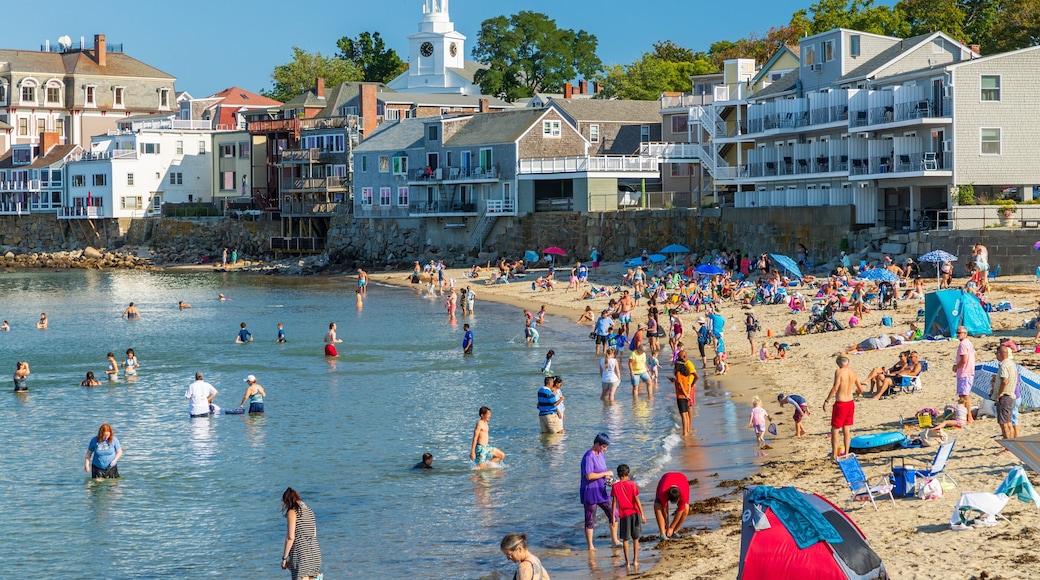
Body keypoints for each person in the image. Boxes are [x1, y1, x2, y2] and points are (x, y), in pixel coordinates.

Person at [580, 433, 619, 550]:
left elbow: (601, 473)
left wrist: (612, 482)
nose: (605, 449)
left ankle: (614, 540)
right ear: (597, 444)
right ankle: (590, 546)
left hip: (601, 491)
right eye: (604, 446)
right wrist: (606, 473)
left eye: (606, 447)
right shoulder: (588, 456)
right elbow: (589, 476)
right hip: (590, 491)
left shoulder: (601, 454)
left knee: (614, 513)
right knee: (590, 518)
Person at [823, 356, 864, 460]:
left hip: (841, 403)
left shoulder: (839, 372)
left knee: (835, 429)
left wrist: (827, 400)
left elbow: (835, 387)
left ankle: (834, 454)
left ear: (838, 363)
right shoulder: (853, 373)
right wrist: (857, 393)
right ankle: (846, 452)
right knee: (847, 428)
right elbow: (860, 389)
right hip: (850, 402)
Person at [281, 487, 322, 580]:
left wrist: (284, 558)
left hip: (301, 555)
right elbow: (314, 534)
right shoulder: (310, 511)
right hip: (315, 554)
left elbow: (290, 538)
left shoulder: (292, 512)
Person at [611, 464, 645, 570]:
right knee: (636, 538)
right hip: (635, 513)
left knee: (625, 539)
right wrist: (642, 514)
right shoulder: (632, 484)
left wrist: (613, 516)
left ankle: (627, 563)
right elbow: (637, 500)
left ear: (618, 474)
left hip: (624, 515)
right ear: (628, 474)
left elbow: (614, 502)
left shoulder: (615, 486)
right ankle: (635, 561)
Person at [993, 345, 1018, 452]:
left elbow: (1005, 381)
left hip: (1005, 396)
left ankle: (1008, 448)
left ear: (1000, 354)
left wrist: (999, 394)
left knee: (1004, 423)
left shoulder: (1003, 365)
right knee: (1008, 422)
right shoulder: (1011, 364)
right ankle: (1011, 445)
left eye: (996, 353)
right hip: (1011, 396)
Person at [653, 471, 690, 540]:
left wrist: (671, 527)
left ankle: (675, 531)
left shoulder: (683, 494)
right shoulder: (663, 492)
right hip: (665, 479)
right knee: (657, 505)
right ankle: (662, 534)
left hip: (682, 479)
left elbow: (680, 511)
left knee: (686, 508)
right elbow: (665, 509)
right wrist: (667, 526)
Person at [668, 349, 696, 436]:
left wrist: (685, 394)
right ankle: (687, 430)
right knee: (686, 414)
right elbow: (683, 383)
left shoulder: (678, 373)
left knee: (683, 414)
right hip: (685, 394)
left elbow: (680, 384)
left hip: (681, 396)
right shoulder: (686, 373)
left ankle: (685, 433)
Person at [953, 326, 976, 425]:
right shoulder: (969, 343)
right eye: (957, 333)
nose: (958, 334)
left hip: (964, 372)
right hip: (969, 371)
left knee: (964, 396)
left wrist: (956, 367)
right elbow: (975, 355)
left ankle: (969, 417)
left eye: (959, 333)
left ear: (965, 333)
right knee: (964, 395)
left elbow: (964, 360)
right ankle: (968, 416)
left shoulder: (963, 344)